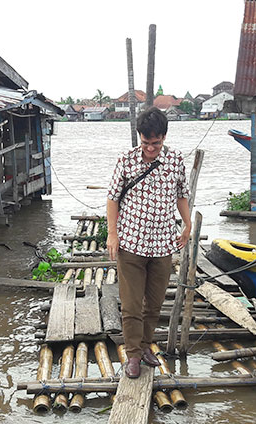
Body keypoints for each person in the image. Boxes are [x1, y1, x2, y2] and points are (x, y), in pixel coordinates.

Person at [107, 107, 191, 378]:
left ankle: (145, 346)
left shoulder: (176, 161)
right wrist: (112, 233)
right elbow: (113, 198)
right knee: (131, 304)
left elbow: (181, 195)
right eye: (146, 143)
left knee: (154, 303)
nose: (150, 148)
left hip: (163, 243)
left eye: (156, 143)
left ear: (164, 137)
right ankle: (132, 355)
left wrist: (187, 224)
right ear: (139, 137)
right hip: (131, 242)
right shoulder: (126, 161)